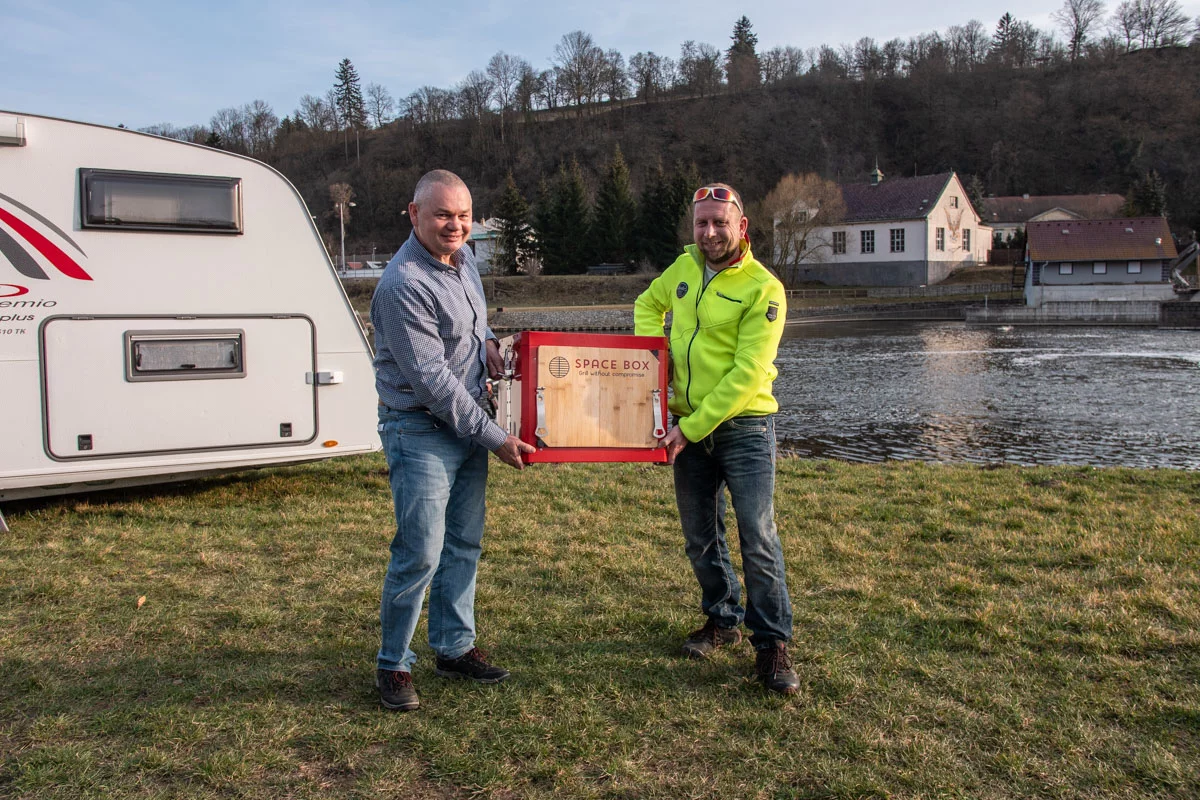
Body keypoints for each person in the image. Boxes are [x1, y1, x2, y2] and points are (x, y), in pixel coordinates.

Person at [370, 169, 535, 712]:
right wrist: (496, 438)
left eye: (463, 215)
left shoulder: (463, 262)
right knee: (420, 552)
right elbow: (434, 383)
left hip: (465, 428)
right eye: (443, 214)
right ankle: (394, 664)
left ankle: (454, 647)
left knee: (463, 544)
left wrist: (487, 341)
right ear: (414, 214)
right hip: (421, 430)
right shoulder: (404, 284)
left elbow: (472, 323)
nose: (455, 225)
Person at [633, 182, 799, 695]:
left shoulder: (764, 288)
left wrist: (689, 427)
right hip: (688, 426)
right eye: (701, 223)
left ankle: (772, 644)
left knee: (758, 536)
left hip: (744, 427)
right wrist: (654, 365)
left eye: (719, 223)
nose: (709, 232)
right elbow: (646, 303)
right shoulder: (682, 269)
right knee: (700, 537)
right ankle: (723, 618)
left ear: (741, 226)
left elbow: (748, 375)